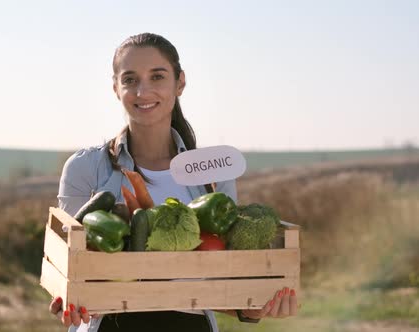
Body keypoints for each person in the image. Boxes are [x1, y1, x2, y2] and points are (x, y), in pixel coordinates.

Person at [48, 32, 298, 332]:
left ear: (180, 82)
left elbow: (223, 285)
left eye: (157, 76)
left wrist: (255, 308)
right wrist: (67, 298)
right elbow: (70, 269)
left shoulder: (213, 174)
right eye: (130, 79)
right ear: (115, 88)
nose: (143, 91)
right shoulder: (85, 167)